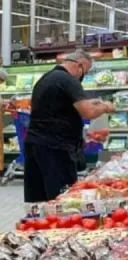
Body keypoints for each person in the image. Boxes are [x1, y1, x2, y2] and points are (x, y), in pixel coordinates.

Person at [25, 49, 115, 202]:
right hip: (57, 147)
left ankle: (39, 224)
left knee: (39, 200)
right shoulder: (69, 80)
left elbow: (62, 105)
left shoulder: (47, 78)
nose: (82, 76)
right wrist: (106, 106)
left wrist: (92, 103)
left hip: (35, 144)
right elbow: (88, 112)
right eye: (84, 72)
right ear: (79, 65)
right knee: (64, 198)